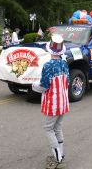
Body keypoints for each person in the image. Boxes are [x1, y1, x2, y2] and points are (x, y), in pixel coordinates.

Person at [32, 34, 69, 169]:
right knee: (58, 127)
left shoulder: (48, 65)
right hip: (63, 101)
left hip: (53, 102)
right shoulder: (64, 64)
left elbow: (44, 86)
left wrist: (34, 86)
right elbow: (67, 82)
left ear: (50, 50)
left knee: (48, 128)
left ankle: (58, 159)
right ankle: (61, 154)